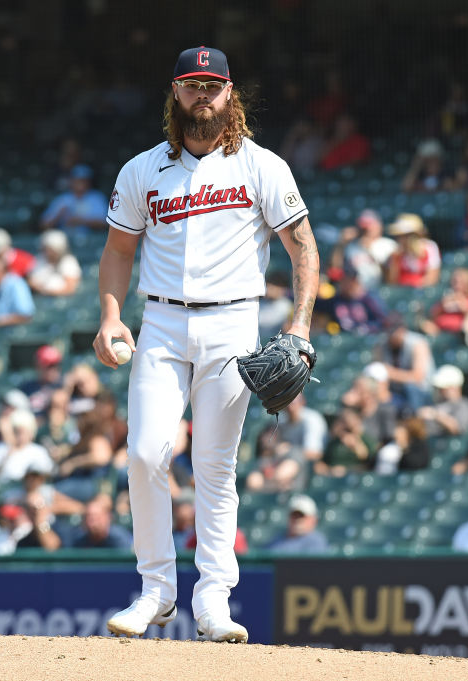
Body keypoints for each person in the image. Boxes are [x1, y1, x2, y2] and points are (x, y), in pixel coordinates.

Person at [97, 46, 318, 643]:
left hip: (232, 324)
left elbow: (303, 246)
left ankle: (214, 599)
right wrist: (112, 315)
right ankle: (155, 592)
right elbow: (119, 251)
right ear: (175, 92)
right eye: (192, 84)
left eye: (212, 85)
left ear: (230, 94)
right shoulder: (141, 169)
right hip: (161, 325)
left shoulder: (261, 165)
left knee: (215, 468)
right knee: (145, 454)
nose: (203, 94)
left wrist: (299, 324)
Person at [374, 320, 435, 412]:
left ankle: (414, 419)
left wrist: (390, 373)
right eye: (389, 332)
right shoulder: (382, 344)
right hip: (395, 391)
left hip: (421, 392)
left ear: (402, 331)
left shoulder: (417, 343)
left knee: (410, 388)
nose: (391, 336)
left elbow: (418, 377)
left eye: (393, 332)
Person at [0, 408, 54, 483]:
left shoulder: (38, 451)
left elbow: (47, 473)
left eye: (23, 432)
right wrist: (5, 459)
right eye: (17, 431)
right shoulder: (0, 448)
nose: (20, 436)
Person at [331, 209, 398, 290]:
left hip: (381, 290)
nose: (366, 231)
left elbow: (392, 277)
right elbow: (335, 270)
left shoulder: (388, 245)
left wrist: (369, 249)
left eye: (368, 228)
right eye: (363, 229)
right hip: (356, 292)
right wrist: (341, 243)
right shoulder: (351, 246)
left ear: (378, 226)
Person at [314, 265, 387, 335]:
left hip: (367, 340)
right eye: (343, 280)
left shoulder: (369, 299)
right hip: (344, 343)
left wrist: (365, 328)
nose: (345, 284)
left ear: (355, 282)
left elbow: (383, 322)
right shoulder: (335, 301)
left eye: (348, 281)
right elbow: (315, 304)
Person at [40, 164, 109, 233]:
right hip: (65, 239)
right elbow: (44, 225)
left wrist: (80, 221)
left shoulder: (97, 198)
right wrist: (58, 215)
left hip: (93, 239)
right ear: (71, 181)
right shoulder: (63, 199)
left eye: (84, 180)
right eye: (77, 180)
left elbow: (106, 224)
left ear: (89, 181)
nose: (80, 183)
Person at [385, 213, 441, 288]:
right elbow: (392, 282)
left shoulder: (430, 248)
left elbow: (432, 278)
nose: (399, 239)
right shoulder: (396, 253)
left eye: (404, 235)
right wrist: (394, 261)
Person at [417, 365, 468, 438]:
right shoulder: (437, 402)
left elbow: (456, 428)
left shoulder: (463, 404)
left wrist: (434, 415)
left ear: (454, 387)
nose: (440, 391)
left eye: (443, 388)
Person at [421, 268, 468, 337]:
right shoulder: (447, 297)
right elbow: (432, 316)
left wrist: (464, 307)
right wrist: (442, 306)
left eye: (461, 282)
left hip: (460, 333)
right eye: (455, 281)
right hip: (440, 332)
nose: (457, 285)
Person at [29, 229, 82, 297]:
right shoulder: (39, 259)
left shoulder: (69, 261)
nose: (46, 251)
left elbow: (70, 288)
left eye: (49, 249)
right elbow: (31, 280)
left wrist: (47, 292)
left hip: (62, 300)